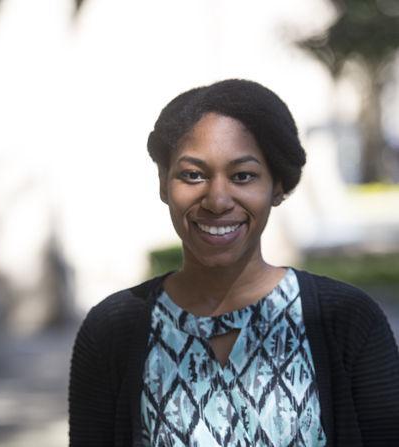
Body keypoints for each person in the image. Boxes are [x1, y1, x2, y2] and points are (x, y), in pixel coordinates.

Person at [68, 79, 399, 446]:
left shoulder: (348, 321)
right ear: (164, 184)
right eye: (193, 175)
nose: (217, 199)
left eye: (243, 176)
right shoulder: (112, 330)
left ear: (277, 186)